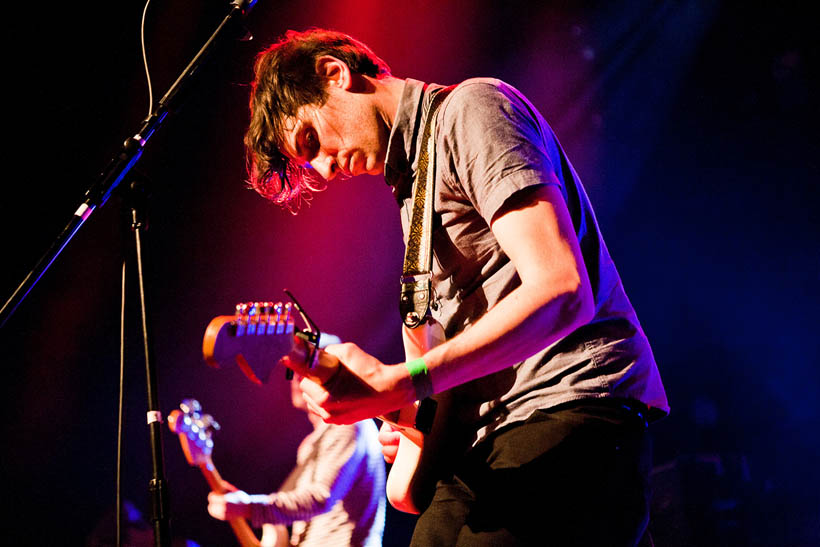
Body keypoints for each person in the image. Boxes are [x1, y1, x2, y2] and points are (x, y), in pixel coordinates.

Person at [243, 28, 669, 546]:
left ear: (335, 73)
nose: (325, 168)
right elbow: (433, 415)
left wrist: (406, 380)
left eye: (311, 141)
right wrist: (406, 416)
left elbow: (561, 287)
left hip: (572, 407)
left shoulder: (472, 109)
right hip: (498, 440)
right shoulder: (413, 196)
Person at [206, 375, 386, 547]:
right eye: (293, 371)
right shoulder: (314, 441)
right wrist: (242, 503)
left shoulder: (347, 425)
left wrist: (249, 507)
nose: (296, 378)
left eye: (307, 369)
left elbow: (320, 498)